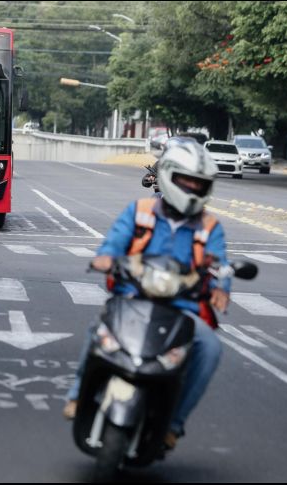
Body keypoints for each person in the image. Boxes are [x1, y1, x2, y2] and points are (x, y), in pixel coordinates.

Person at [63, 141, 231, 451]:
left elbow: (221, 263)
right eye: (186, 180)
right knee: (98, 329)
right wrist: (106, 258)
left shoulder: (211, 226)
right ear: (168, 176)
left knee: (210, 348)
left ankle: (174, 424)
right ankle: (76, 394)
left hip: (184, 307)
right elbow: (115, 241)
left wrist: (222, 287)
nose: (193, 187)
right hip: (133, 296)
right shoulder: (139, 210)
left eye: (200, 183)